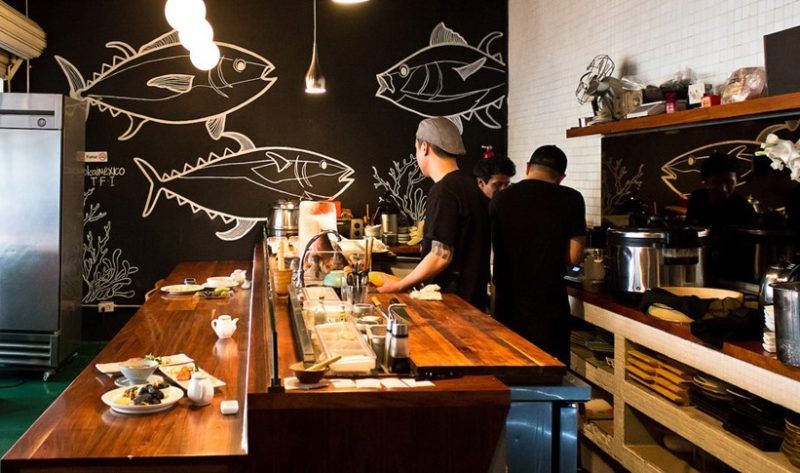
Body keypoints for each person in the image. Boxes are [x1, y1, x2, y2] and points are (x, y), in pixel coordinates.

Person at [378, 117, 491, 310]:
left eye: (416, 148)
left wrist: (400, 285)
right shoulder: (472, 187)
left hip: (453, 305)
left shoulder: (444, 191)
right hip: (474, 303)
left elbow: (441, 255)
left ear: (424, 147)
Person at [489, 145, 586, 363]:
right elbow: (574, 257)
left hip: (507, 305)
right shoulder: (572, 199)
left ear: (527, 167)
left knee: (510, 369)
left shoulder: (500, 199)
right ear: (561, 177)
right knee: (551, 373)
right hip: (548, 308)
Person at [685, 152, 756, 230]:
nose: (723, 189)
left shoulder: (744, 207)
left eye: (729, 182)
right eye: (716, 182)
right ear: (706, 181)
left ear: (737, 180)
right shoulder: (697, 198)